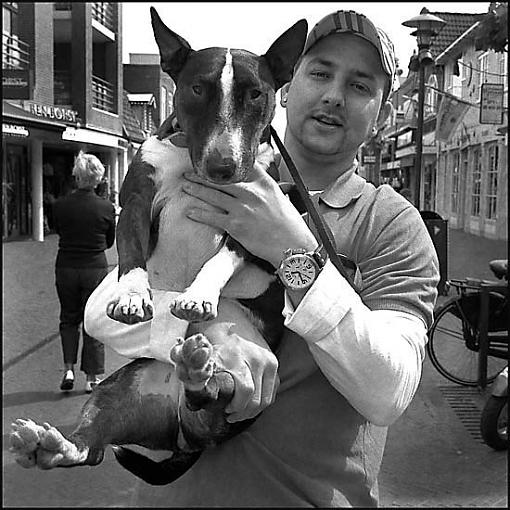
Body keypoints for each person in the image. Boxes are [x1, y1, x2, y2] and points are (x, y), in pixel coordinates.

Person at [85, 10, 439, 507]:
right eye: (320, 73)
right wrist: (213, 326)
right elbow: (100, 315)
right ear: (287, 87)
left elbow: (389, 392)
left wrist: (291, 251)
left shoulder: (391, 224)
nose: (334, 95)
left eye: (360, 85)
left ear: (382, 108)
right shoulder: (190, 176)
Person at [53, 151, 116, 393]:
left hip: (66, 266)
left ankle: (68, 368)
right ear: (98, 178)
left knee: (68, 318)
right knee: (93, 320)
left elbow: (58, 230)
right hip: (94, 268)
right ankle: (92, 378)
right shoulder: (106, 208)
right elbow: (109, 242)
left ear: (76, 177)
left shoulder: (60, 205)